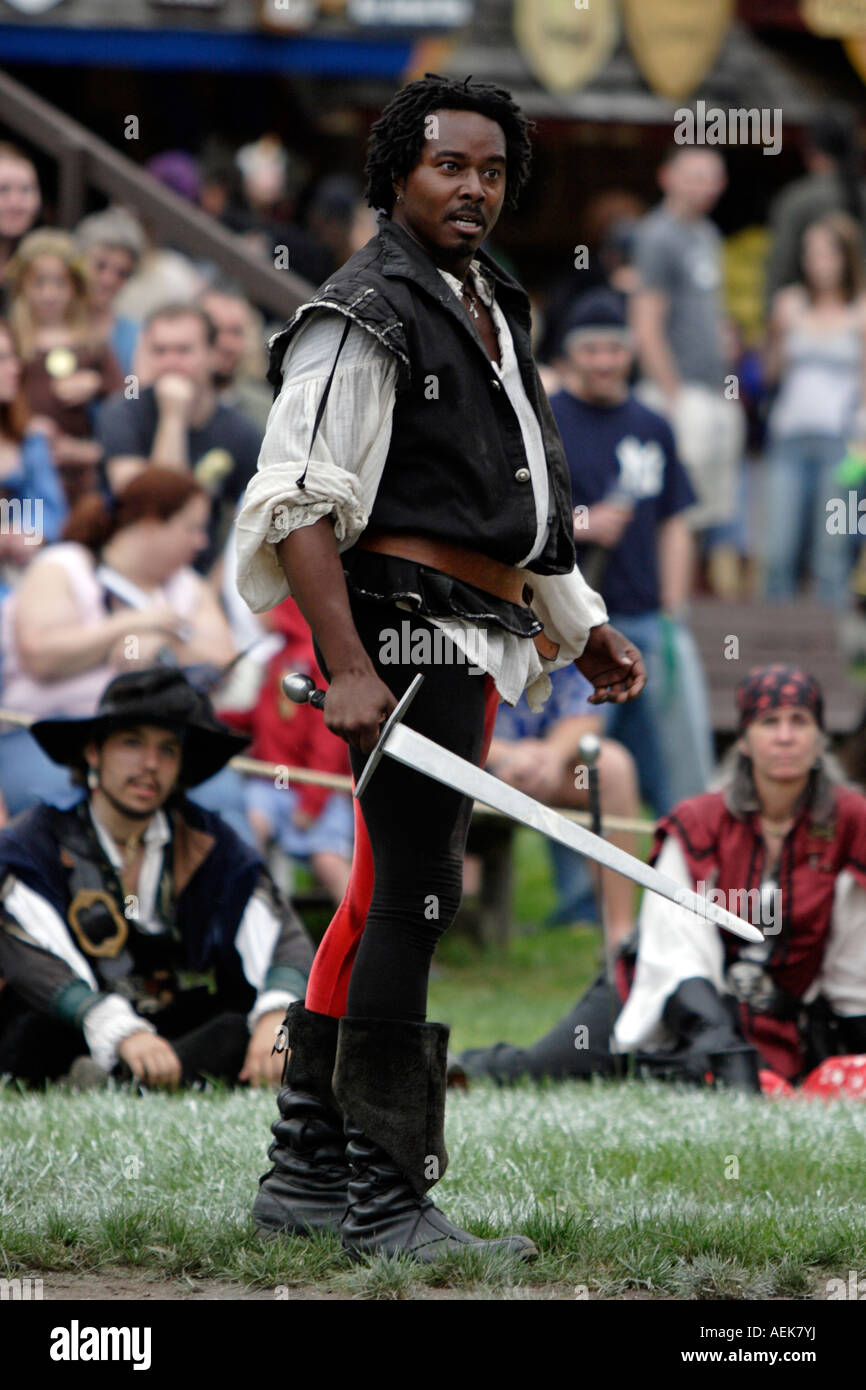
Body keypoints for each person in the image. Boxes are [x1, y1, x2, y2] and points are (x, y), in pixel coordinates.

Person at [235, 73, 646, 1263]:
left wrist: (581, 622)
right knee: (416, 894)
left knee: (381, 894)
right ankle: (389, 1199)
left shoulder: (483, 299)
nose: (472, 188)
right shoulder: (363, 307)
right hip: (397, 632)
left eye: (490, 170)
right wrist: (351, 668)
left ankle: (305, 1178)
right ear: (394, 176)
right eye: (447, 167)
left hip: (468, 626)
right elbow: (297, 505)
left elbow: (501, 506)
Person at [460, 666, 866, 1094]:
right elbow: (675, 947)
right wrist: (717, 1038)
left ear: (820, 738)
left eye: (799, 721)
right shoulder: (700, 821)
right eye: (770, 722)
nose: (785, 736)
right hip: (663, 991)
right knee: (544, 1068)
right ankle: (461, 1066)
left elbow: (855, 954)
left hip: (781, 1017)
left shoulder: (851, 821)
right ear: (745, 740)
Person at [0, 666, 315, 1088]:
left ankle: (127, 1079)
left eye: (168, 750)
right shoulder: (32, 844)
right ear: (93, 752)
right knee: (33, 1034)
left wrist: (277, 1015)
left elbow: (281, 934)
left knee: (234, 1026)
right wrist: (117, 1029)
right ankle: (112, 1073)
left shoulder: (208, 841)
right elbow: (30, 954)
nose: (151, 764)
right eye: (132, 743)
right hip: (70, 1024)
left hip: (169, 1026)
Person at [551, 288, 710, 814]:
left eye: (614, 349)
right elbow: (520, 521)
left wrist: (673, 608)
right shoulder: (547, 422)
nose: (603, 361)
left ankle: (686, 879)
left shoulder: (652, 425)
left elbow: (674, 522)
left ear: (629, 352)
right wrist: (583, 522)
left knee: (680, 772)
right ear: (572, 353)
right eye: (591, 349)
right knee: (583, 776)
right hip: (578, 628)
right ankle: (585, 897)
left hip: (648, 621)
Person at [0, 467, 236, 817]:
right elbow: (41, 655)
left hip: (158, 743)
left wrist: (162, 646)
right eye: (192, 528)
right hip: (49, 738)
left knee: (224, 799)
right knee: (72, 801)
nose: (202, 542)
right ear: (151, 521)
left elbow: (224, 663)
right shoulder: (64, 565)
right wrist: (132, 624)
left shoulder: (186, 586)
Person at [630, 147, 745, 588]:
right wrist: (672, 395)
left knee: (707, 509)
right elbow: (646, 321)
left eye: (713, 177)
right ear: (667, 177)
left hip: (714, 389)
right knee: (673, 506)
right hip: (678, 392)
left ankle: (683, 606)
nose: (705, 186)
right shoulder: (658, 234)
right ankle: (664, 605)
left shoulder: (708, 234)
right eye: (694, 175)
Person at [97, 303, 262, 574]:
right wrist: (173, 418)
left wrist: (215, 587)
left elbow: (256, 524)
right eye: (160, 351)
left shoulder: (241, 431)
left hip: (195, 578)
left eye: (184, 350)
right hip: (121, 568)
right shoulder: (123, 411)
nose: (170, 362)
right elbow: (152, 508)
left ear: (212, 354)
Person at [485, 663, 639, 943]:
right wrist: (504, 756)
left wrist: (552, 756)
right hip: (467, 765)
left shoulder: (566, 626)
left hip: (545, 766)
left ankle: (620, 939)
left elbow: (587, 712)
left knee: (611, 768)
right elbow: (432, 723)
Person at [763, 212, 866, 609]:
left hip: (841, 443)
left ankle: (830, 659)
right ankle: (770, 654)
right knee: (776, 552)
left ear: (846, 257)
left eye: (826, 253)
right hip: (788, 436)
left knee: (832, 553)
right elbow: (770, 375)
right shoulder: (789, 303)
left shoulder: (860, 310)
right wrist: (777, 335)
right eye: (811, 253)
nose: (817, 262)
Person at [5, 229, 123, 507]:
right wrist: (25, 427)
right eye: (39, 284)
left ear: (75, 288)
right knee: (26, 533)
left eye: (60, 284)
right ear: (22, 287)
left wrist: (98, 384)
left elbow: (131, 390)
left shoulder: (92, 342)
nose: (49, 294)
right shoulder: (11, 340)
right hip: (22, 467)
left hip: (78, 470)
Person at [765, 108, 866, 306]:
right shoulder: (860, 193)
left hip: (812, 315)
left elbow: (781, 267)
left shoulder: (798, 199)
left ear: (811, 149)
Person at [0, 316, 67, 600]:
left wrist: (30, 535)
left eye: (13, 356)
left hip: (19, 580)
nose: (15, 368)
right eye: (1, 359)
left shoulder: (29, 439)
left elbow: (52, 510)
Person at [75, 206, 145, 377]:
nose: (108, 280)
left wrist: (127, 394)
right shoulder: (50, 323)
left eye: (122, 273)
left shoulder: (135, 336)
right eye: (100, 266)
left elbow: (133, 390)